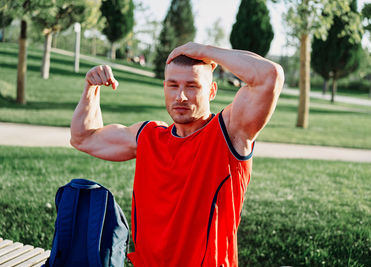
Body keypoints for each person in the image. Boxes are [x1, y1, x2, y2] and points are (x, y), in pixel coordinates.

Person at [70, 42, 284, 266]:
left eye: (192, 86)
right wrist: (90, 90)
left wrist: (203, 51)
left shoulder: (229, 133)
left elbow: (270, 75)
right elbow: (83, 137)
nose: (181, 96)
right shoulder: (148, 136)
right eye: (173, 85)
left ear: (211, 92)